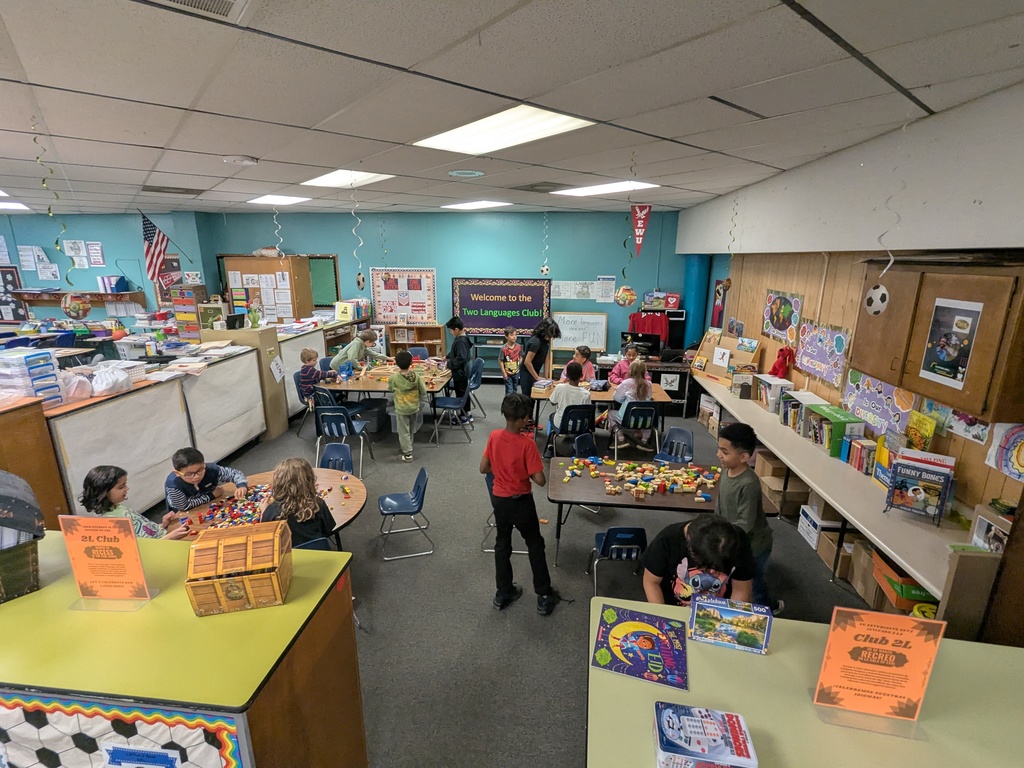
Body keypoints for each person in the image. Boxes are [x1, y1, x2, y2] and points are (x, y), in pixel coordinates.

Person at [480, 393, 560, 616]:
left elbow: (483, 467)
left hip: (499, 500)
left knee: (502, 544)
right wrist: (522, 472)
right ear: (524, 419)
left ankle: (503, 591)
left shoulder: (494, 436)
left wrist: (504, 469)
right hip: (521, 502)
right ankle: (544, 595)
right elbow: (540, 480)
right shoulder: (528, 444)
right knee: (535, 544)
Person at [715, 423, 781, 614]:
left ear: (744, 457)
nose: (719, 455)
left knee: (754, 583)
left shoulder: (749, 484)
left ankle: (769, 609)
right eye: (719, 449)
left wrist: (725, 538)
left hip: (754, 545)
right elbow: (721, 501)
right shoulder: (726, 471)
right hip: (734, 540)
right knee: (737, 578)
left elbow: (745, 523)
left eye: (725, 452)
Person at [642, 516, 755, 606]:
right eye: (706, 566)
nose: (712, 572)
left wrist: (731, 617)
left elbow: (741, 589)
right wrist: (662, 616)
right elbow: (651, 582)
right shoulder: (667, 540)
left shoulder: (737, 540)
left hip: (720, 608)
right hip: (674, 607)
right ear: (691, 549)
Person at [81, 465, 189, 539]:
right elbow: (141, 551)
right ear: (103, 492)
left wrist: (163, 524)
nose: (127, 488)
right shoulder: (110, 523)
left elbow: (144, 532)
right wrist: (170, 537)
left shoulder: (118, 508)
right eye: (121, 487)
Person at [259, 458, 336, 547]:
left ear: (278, 483)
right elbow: (328, 529)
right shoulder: (318, 504)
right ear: (309, 481)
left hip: (288, 559)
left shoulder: (272, 511)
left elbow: (265, 535)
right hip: (320, 555)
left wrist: (264, 512)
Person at [165, 447, 248, 512]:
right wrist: (211, 496)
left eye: (200, 470)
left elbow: (234, 474)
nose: (196, 476)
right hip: (182, 514)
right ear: (177, 473)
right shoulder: (173, 484)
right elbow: (183, 506)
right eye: (189, 474)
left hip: (211, 506)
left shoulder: (211, 469)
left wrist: (241, 486)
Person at [545, 360, 591, 457]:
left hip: (561, 424)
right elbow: (588, 413)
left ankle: (550, 445)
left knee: (551, 416)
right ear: (581, 375)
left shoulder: (560, 388)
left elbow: (552, 402)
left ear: (567, 376)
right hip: (580, 426)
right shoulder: (586, 394)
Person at [388, 350, 426, 463]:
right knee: (410, 429)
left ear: (396, 363)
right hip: (414, 407)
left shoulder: (394, 378)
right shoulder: (416, 376)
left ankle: (407, 453)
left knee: (403, 431)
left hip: (401, 408)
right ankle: (408, 447)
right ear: (411, 363)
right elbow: (423, 391)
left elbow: (389, 389)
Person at [609, 359, 655, 451]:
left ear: (630, 370)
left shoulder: (626, 383)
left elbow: (617, 398)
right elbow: (649, 397)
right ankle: (644, 441)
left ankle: (620, 438)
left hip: (627, 418)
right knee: (648, 420)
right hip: (644, 419)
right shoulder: (649, 384)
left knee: (610, 413)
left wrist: (625, 401)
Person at [519, 317, 561, 397]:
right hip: (527, 372)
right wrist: (537, 377)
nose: (551, 336)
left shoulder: (545, 341)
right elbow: (527, 362)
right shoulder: (536, 342)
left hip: (535, 370)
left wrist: (546, 377)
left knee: (534, 397)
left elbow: (546, 358)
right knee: (527, 397)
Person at [445, 316, 474, 423]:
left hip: (460, 373)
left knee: (461, 394)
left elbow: (461, 358)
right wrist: (447, 357)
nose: (451, 333)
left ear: (456, 330)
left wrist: (448, 364)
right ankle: (467, 414)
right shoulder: (462, 338)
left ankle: (464, 416)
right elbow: (456, 352)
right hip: (462, 372)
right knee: (463, 393)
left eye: (451, 331)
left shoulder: (461, 341)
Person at [498, 326, 522, 395]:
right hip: (507, 373)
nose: (514, 337)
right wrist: (503, 372)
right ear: (506, 336)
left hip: (516, 372)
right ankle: (508, 404)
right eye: (512, 335)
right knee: (509, 390)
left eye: (515, 335)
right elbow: (501, 360)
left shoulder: (519, 347)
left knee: (515, 389)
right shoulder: (503, 349)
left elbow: (521, 356)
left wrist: (519, 363)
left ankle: (514, 403)